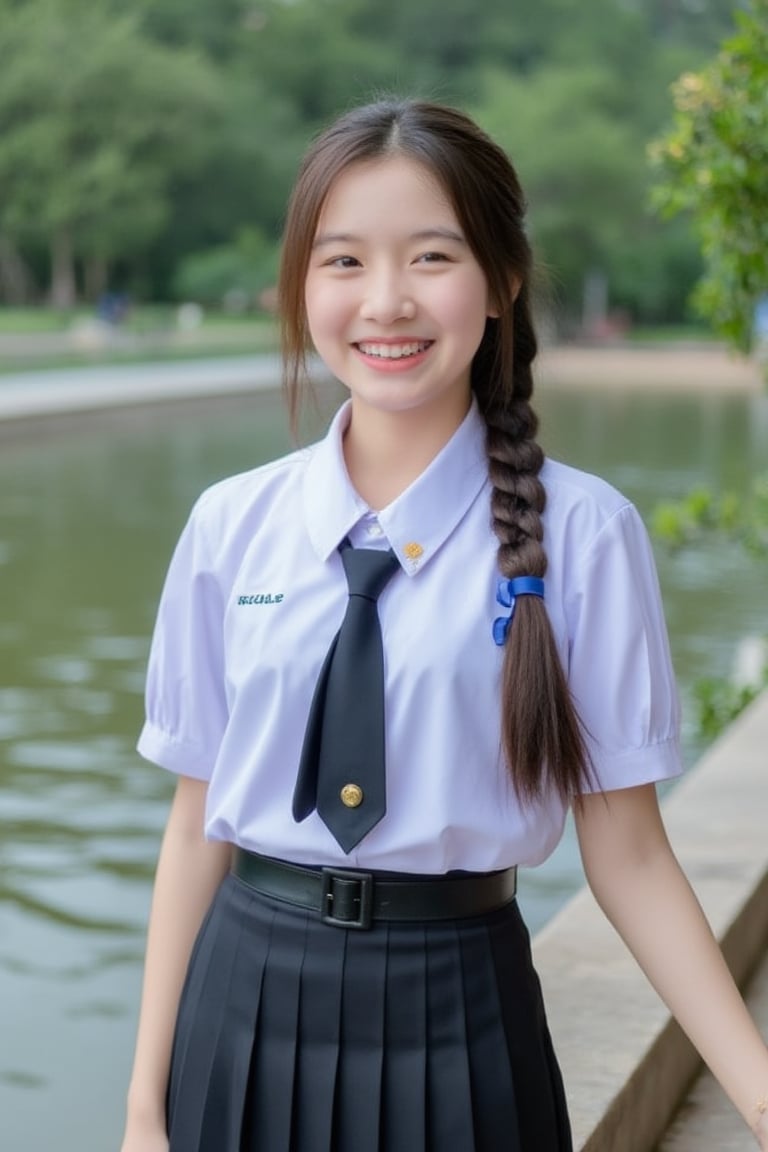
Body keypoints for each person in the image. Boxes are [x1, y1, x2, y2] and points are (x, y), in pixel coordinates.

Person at [120, 99, 768, 1152]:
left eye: (432, 257)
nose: (387, 302)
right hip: (239, 1011)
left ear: (504, 279)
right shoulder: (231, 526)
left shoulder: (585, 535)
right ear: (300, 286)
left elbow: (631, 854)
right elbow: (199, 822)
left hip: (460, 1022)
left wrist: (757, 1090)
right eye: (343, 263)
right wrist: (145, 1110)